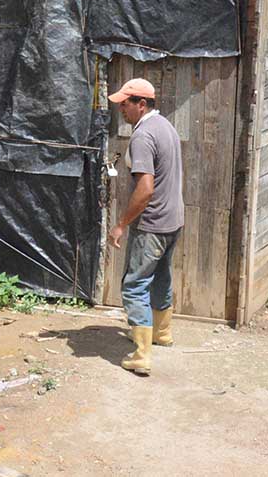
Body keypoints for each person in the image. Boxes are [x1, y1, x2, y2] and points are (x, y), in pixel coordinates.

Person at [107, 78, 184, 375]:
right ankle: (161, 333)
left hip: (152, 223)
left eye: (125, 104)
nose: (121, 109)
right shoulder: (166, 126)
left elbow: (145, 189)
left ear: (141, 104)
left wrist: (121, 224)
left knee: (135, 285)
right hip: (173, 219)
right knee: (161, 277)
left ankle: (141, 355)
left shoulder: (143, 136)